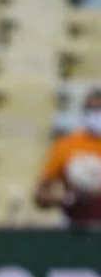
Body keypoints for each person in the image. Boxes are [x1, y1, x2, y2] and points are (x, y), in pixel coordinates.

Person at [35, 87, 101, 227]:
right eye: (92, 110)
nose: (96, 115)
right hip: (74, 223)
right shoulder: (67, 145)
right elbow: (40, 194)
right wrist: (66, 200)